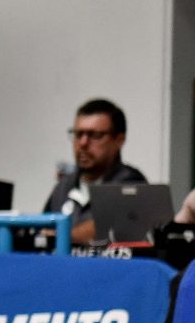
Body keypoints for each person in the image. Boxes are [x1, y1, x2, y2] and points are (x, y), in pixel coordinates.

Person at [43, 99, 147, 244]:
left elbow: (104, 228)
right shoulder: (63, 186)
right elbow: (42, 229)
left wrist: (61, 236)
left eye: (95, 135)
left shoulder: (130, 182)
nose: (83, 143)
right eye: (78, 134)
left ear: (119, 140)